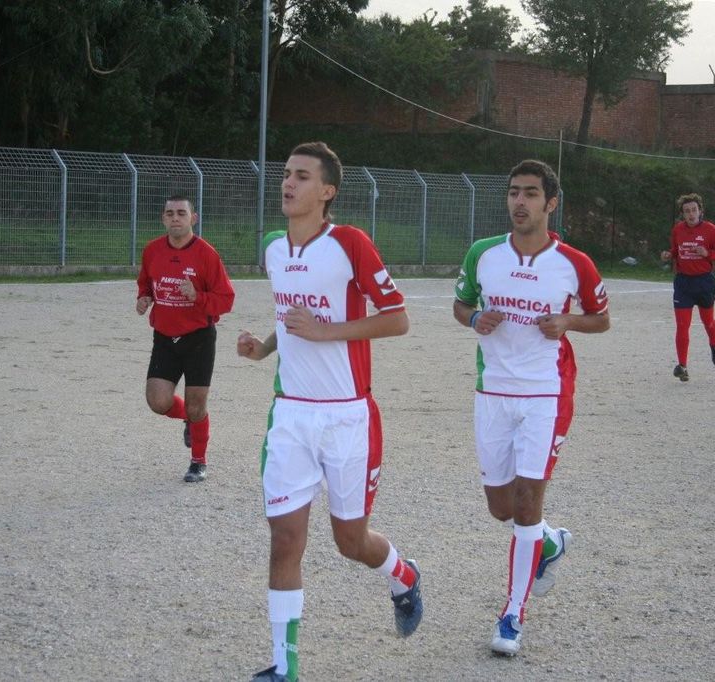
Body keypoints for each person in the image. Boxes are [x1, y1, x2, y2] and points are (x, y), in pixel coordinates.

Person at [237, 142, 423, 682]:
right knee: (284, 540)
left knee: (350, 542)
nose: (288, 183)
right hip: (291, 416)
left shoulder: (349, 243)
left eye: (301, 176)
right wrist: (265, 348)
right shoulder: (274, 248)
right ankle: (285, 667)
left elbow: (397, 318)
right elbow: (291, 315)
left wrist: (328, 332)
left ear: (327, 191)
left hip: (347, 418)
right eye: (286, 174)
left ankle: (404, 574)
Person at [452, 159, 610, 657]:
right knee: (501, 506)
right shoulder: (483, 253)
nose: (519, 202)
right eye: (514, 192)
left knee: (526, 502)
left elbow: (601, 318)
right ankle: (550, 543)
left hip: (546, 393)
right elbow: (461, 305)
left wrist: (568, 321)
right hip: (492, 391)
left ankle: (513, 614)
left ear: (551, 203)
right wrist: (475, 318)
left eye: (531, 194)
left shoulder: (574, 263)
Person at [136, 195, 235, 482]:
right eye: (170, 213)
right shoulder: (152, 250)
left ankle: (198, 462)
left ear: (194, 218)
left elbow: (226, 299)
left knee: (196, 404)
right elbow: (146, 283)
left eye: (181, 213)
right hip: (165, 337)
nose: (175, 218)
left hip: (198, 339)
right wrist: (144, 298)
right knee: (158, 401)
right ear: (163, 219)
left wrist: (197, 296)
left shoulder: (206, 254)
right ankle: (190, 420)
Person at [659, 193, 715, 381]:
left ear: (700, 211)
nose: (691, 214)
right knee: (682, 325)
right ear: (683, 214)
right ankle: (682, 366)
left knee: (708, 322)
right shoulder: (678, 230)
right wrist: (669, 254)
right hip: (683, 283)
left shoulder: (710, 230)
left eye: (694, 210)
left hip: (704, 282)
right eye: (687, 211)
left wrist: (707, 253)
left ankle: (714, 345)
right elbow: (676, 250)